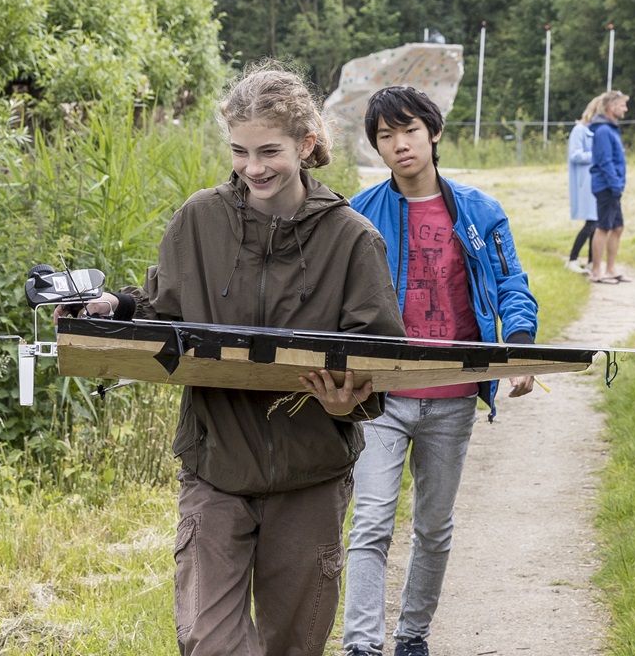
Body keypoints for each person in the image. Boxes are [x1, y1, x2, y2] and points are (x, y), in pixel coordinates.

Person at [57, 62, 406, 656]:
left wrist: (354, 401)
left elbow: (380, 359)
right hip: (214, 465)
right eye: (241, 152)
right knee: (206, 639)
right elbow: (168, 311)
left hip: (310, 475)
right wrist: (113, 309)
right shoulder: (199, 219)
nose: (254, 168)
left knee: (293, 645)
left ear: (307, 143)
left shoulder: (351, 239)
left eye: (269, 150)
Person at [344, 86, 539, 656]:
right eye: (385, 136)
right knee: (371, 522)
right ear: (377, 147)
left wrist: (519, 349)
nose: (399, 145)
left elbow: (510, 285)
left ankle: (412, 639)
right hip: (383, 394)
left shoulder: (480, 212)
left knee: (433, 528)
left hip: (453, 397)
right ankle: (361, 646)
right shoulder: (360, 212)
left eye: (408, 131)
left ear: (433, 133)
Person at [587, 90, 631, 284]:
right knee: (603, 227)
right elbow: (605, 162)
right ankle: (597, 272)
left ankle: (611, 269)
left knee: (618, 227)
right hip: (606, 186)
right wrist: (615, 185)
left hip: (613, 186)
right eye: (622, 105)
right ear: (612, 107)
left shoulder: (611, 129)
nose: (625, 109)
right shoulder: (604, 131)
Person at [564, 96, 601, 273]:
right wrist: (599, 155)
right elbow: (575, 155)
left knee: (596, 223)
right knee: (592, 223)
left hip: (595, 182)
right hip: (584, 182)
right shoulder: (579, 130)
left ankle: (591, 261)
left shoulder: (595, 131)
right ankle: (572, 259)